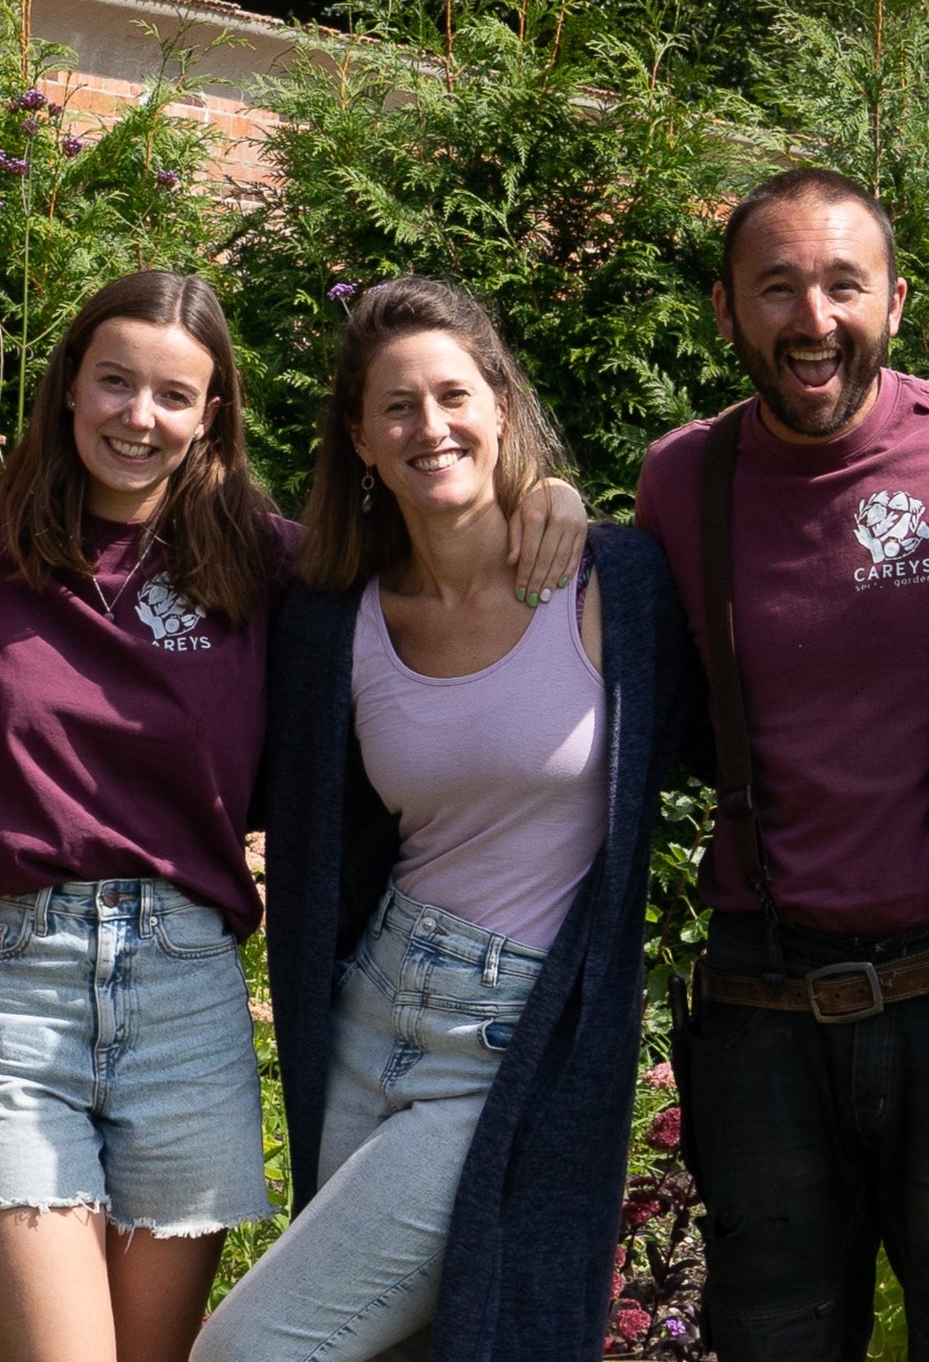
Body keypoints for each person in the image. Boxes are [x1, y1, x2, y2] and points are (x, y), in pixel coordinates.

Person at [0, 268, 585, 1362]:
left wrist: (550, 494)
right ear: (67, 386)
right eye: (112, 381)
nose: (137, 415)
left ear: (211, 414)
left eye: (173, 393)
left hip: (184, 988)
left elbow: (435, 550)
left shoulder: (269, 562)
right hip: (12, 986)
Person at [196, 275, 699, 1362]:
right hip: (368, 1014)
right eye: (396, 406)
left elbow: (756, 722)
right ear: (359, 440)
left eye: (453, 394)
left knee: (254, 1347)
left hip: (509, 1037)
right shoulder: (336, 616)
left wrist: (559, 493)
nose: (430, 426)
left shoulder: (617, 587)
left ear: (499, 405)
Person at [630, 170, 929, 1362]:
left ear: (895, 297)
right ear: (727, 311)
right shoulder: (680, 480)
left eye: (841, 283)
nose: (812, 318)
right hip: (762, 1008)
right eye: (775, 288)